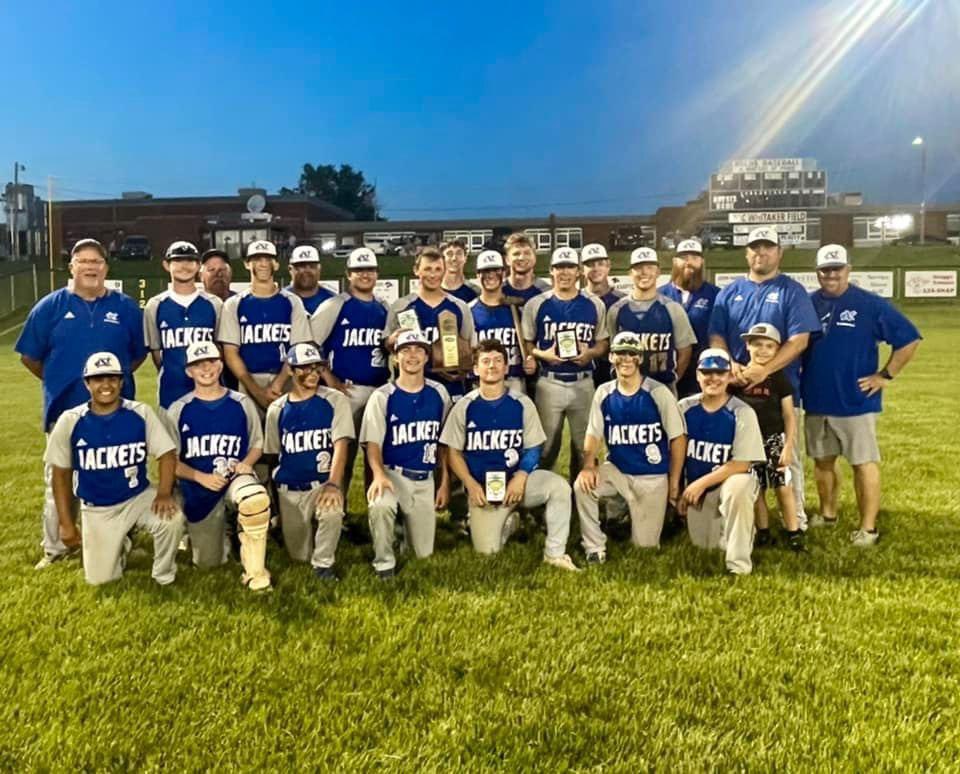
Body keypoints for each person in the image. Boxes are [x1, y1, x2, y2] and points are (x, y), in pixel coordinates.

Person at [16, 238, 148, 570]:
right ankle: (57, 547)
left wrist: (106, 389)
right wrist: (61, 381)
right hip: (65, 413)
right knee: (59, 478)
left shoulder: (126, 308)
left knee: (117, 477)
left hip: (116, 415)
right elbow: (30, 357)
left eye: (97, 261)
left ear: (106, 267)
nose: (90, 266)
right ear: (71, 267)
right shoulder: (50, 306)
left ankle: (120, 540)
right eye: (83, 261)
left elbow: (136, 355)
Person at [801, 244, 921, 546]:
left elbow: (908, 339)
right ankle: (828, 515)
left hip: (855, 402)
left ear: (848, 270)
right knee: (822, 462)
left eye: (837, 269)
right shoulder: (808, 303)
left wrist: (885, 375)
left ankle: (868, 528)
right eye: (825, 269)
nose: (831, 275)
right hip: (816, 400)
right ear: (817, 272)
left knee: (863, 463)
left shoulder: (870, 304)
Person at [707, 226, 821, 528]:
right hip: (737, 392)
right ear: (747, 253)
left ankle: (795, 523)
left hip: (779, 394)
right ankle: (751, 522)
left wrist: (764, 370)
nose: (761, 252)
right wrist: (728, 362)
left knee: (785, 461)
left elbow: (799, 340)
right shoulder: (730, 292)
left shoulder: (791, 291)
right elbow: (716, 334)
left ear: (779, 252)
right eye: (755, 247)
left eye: (768, 247)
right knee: (738, 458)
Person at [439, 339, 580, 571]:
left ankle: (555, 553)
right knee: (487, 553)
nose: (492, 366)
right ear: (476, 369)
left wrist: (522, 476)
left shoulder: (522, 403)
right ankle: (510, 523)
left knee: (559, 487)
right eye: (485, 361)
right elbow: (452, 452)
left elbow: (534, 447)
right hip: (484, 489)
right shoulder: (464, 406)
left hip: (517, 483)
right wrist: (470, 485)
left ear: (506, 367)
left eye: (497, 361)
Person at [45, 352, 184, 586]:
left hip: (136, 496)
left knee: (171, 518)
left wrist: (163, 493)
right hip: (97, 508)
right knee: (101, 580)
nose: (106, 385)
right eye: (98, 379)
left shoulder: (139, 413)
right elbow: (60, 474)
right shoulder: (70, 420)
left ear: (121, 382)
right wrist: (66, 524)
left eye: (112, 378)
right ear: (87, 383)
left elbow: (167, 454)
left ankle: (164, 574)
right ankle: (121, 544)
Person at [166, 342, 272, 589]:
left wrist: (246, 463)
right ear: (188, 371)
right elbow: (170, 461)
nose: (206, 368)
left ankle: (256, 574)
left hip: (235, 476)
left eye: (211, 361)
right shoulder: (179, 409)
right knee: (208, 563)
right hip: (199, 486)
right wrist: (200, 477)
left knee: (254, 498)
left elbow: (257, 443)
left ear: (221, 365)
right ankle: (225, 533)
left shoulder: (241, 402)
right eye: (197, 364)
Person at [574, 332, 686, 563]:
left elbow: (677, 438)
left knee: (644, 550)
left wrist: (674, 482)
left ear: (640, 359)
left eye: (631, 354)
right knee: (582, 485)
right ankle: (594, 546)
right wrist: (588, 465)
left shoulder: (657, 392)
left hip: (651, 477)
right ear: (611, 357)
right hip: (617, 471)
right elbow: (593, 434)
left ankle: (630, 513)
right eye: (620, 353)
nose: (625, 359)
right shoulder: (604, 392)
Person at [360, 330, 452, 579]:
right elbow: (373, 445)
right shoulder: (382, 396)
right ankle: (384, 563)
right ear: (395, 358)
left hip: (424, 479)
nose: (412, 355)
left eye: (418, 350)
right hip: (393, 473)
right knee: (381, 505)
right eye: (405, 350)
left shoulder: (439, 393)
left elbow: (444, 445)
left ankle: (402, 530)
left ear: (426, 357)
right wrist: (378, 475)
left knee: (423, 554)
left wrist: (444, 484)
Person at [263, 343, 354, 580]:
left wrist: (334, 484)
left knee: (332, 510)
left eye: (317, 368)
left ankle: (324, 563)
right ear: (291, 371)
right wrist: (276, 507)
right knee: (298, 556)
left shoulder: (335, 400)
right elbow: (274, 456)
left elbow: (341, 445)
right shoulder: (277, 409)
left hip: (322, 483)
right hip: (289, 488)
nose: (313, 374)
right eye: (305, 368)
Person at [311, 247, 391, 503]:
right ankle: (336, 508)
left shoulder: (384, 307)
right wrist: (329, 377)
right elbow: (309, 344)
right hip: (347, 390)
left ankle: (376, 508)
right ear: (348, 274)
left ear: (377, 273)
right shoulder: (335, 305)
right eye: (358, 270)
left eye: (369, 270)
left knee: (377, 454)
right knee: (341, 452)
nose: (364, 275)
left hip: (378, 389)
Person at [522, 246, 608, 482]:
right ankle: (540, 499)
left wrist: (590, 353)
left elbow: (603, 343)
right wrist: (543, 355)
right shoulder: (537, 304)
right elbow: (528, 344)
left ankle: (583, 499)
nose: (565, 272)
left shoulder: (594, 303)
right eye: (560, 267)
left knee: (587, 448)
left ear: (579, 271)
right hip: (550, 382)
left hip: (583, 382)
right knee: (546, 447)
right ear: (551, 271)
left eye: (570, 267)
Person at [678, 349, 766, 575]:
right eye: (707, 372)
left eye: (720, 372)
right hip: (699, 490)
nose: (713, 378)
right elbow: (675, 453)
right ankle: (735, 529)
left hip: (725, 482)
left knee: (740, 487)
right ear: (697, 375)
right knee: (704, 545)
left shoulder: (741, 412)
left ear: (729, 376)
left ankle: (739, 566)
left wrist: (698, 484)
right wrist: (677, 490)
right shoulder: (684, 407)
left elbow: (742, 464)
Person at [218, 240, 312, 416]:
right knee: (253, 440)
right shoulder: (234, 304)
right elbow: (230, 353)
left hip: (286, 377)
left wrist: (277, 385)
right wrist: (255, 390)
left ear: (276, 264)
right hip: (248, 380)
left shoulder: (292, 302)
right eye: (257, 259)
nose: (263, 264)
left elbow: (298, 349)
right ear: (247, 264)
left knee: (286, 438)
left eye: (268, 259)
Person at [731, 324, 804, 551]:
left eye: (769, 346)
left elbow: (789, 415)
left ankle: (793, 532)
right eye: (757, 345)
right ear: (747, 346)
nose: (762, 350)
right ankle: (763, 531)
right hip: (748, 442)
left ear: (777, 349)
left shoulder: (778, 378)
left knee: (783, 486)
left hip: (774, 439)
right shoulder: (739, 379)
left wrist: (788, 446)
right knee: (757, 488)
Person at [384, 246, 475, 402]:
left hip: (451, 386)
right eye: (427, 269)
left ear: (444, 271)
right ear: (416, 270)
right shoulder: (401, 306)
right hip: (411, 387)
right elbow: (387, 344)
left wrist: (462, 361)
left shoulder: (459, 306)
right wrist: (391, 341)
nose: (433, 275)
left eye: (438, 269)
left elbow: (471, 346)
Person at [144, 241, 222, 409]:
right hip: (170, 393)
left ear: (198, 266)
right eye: (178, 261)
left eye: (190, 260)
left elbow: (220, 348)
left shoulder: (214, 304)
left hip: (209, 392)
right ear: (166, 265)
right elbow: (156, 352)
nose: (184, 266)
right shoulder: (155, 305)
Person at [607, 247, 697, 394]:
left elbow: (685, 351)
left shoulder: (672, 309)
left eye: (650, 267)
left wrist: (673, 379)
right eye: (638, 268)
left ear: (658, 272)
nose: (644, 272)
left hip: (663, 385)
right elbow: (611, 351)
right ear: (630, 273)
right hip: (625, 388)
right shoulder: (616, 310)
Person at [660, 238, 719, 398]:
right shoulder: (659, 295)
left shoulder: (717, 295)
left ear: (702, 261)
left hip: (704, 376)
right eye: (684, 258)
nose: (689, 262)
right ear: (674, 261)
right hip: (666, 375)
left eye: (694, 258)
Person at [468, 250, 525, 393]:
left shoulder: (517, 308)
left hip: (514, 378)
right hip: (481, 380)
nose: (491, 275)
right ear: (477, 275)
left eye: (496, 270)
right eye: (485, 271)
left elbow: (529, 342)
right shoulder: (468, 310)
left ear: (504, 273)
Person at [581, 242, 624, 387]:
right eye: (590, 264)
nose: (596, 268)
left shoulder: (623, 301)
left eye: (600, 263)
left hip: (617, 369)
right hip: (583, 370)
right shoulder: (576, 299)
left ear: (608, 265)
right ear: (582, 269)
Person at [502, 232, 551, 304]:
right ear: (507, 260)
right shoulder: (499, 292)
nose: (522, 258)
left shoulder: (547, 292)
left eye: (527, 253)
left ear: (535, 257)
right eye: (516, 254)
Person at [286, 244, 335, 315]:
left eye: (312, 266)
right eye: (301, 266)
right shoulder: (280, 300)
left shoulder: (333, 302)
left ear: (319, 269)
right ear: (290, 269)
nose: (307, 270)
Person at [440, 238, 478, 303]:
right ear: (442, 259)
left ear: (465, 258)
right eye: (449, 254)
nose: (454, 258)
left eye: (459, 253)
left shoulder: (475, 292)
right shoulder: (433, 291)